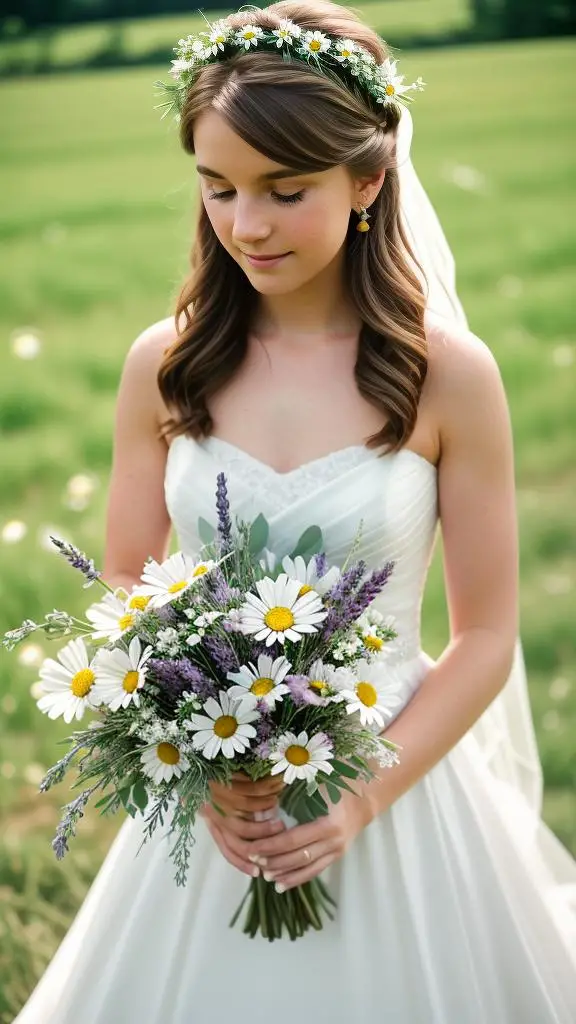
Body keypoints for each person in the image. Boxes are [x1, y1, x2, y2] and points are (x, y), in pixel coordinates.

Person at [14, 3, 576, 1021]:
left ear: (368, 180)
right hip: (218, 803)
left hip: (392, 780)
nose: (247, 224)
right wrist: (200, 755)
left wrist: (359, 798)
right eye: (217, 187)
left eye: (285, 189)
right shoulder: (168, 363)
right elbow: (129, 590)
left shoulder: (445, 376)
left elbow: (487, 634)